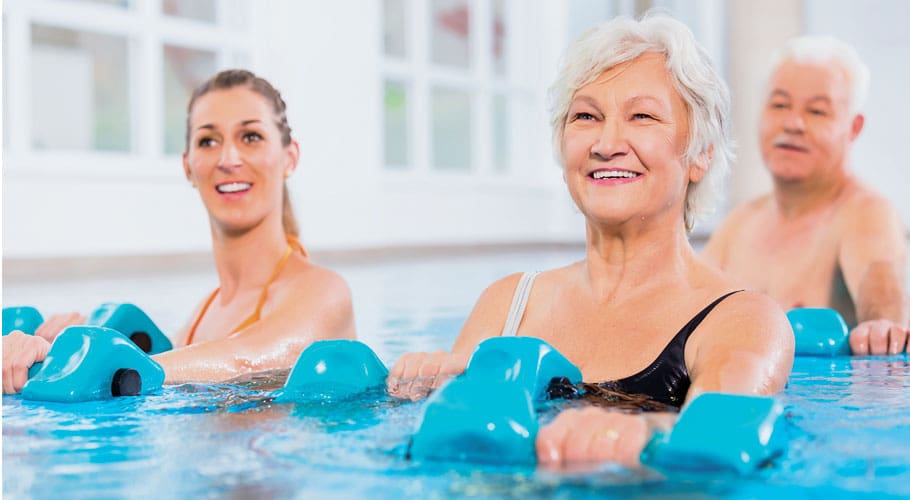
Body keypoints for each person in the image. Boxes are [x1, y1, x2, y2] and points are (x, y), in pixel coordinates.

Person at [387, 15, 794, 467]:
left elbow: (725, 430)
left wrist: (644, 431)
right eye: (586, 116)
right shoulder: (508, 303)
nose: (606, 142)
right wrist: (424, 387)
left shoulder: (742, 320)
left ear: (700, 154)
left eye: (642, 116)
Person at [3, 69, 355, 394]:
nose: (228, 158)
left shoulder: (323, 291)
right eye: (208, 141)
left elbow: (244, 358)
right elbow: (176, 366)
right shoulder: (204, 313)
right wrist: (51, 350)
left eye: (251, 136)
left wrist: (90, 364)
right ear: (188, 166)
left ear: (289, 157)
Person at [703, 36, 908, 356]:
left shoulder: (865, 213)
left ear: (853, 128)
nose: (793, 123)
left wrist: (882, 324)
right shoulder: (738, 224)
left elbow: (878, 273)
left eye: (816, 111)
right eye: (780, 105)